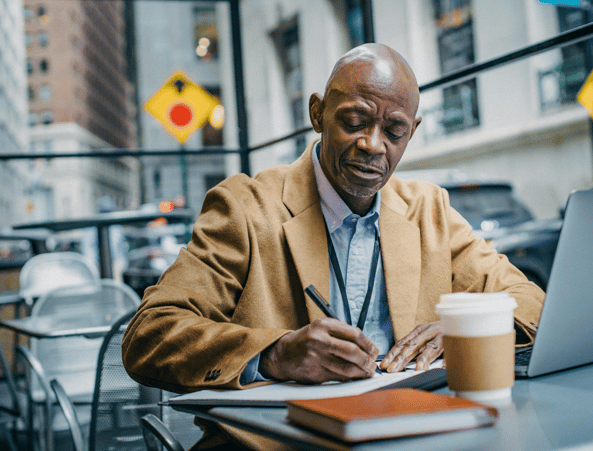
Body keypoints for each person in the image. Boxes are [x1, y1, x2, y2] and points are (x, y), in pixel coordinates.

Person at [122, 43, 544, 450]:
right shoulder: (244, 209)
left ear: (412, 132)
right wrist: (274, 353)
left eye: (394, 131)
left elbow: (532, 302)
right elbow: (150, 335)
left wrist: (462, 332)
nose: (373, 145)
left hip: (410, 434)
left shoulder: (429, 210)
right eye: (355, 121)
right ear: (317, 113)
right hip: (276, 441)